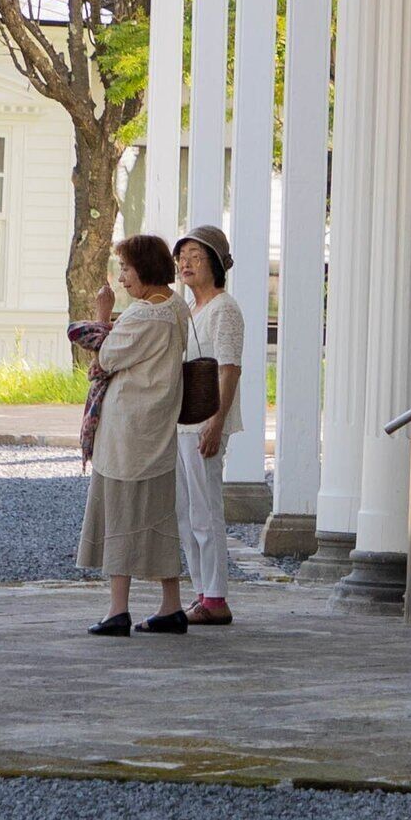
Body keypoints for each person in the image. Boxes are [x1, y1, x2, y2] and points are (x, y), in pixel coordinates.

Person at [78, 233, 191, 636]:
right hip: (159, 425)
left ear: (143, 267)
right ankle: (171, 604)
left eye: (125, 268)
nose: (122, 278)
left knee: (121, 512)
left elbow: (106, 357)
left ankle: (117, 609)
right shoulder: (176, 307)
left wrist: (102, 314)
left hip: (129, 429)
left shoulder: (144, 315)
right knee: (158, 514)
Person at [173, 224, 246, 625]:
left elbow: (229, 368)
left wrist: (216, 421)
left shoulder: (223, 308)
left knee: (206, 509)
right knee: (186, 511)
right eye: (182, 256)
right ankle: (201, 591)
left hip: (204, 421)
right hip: (184, 421)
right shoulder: (190, 310)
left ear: (215, 264)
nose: (185, 263)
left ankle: (216, 596)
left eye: (195, 257)